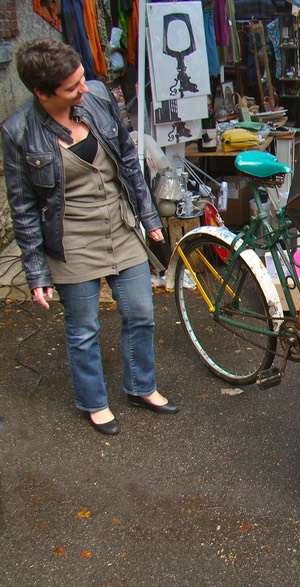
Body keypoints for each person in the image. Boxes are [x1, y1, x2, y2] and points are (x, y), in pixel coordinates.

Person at [1, 39, 178, 435]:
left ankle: (140, 387)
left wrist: (148, 216)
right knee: (83, 328)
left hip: (120, 225)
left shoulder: (97, 95)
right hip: (71, 240)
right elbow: (24, 207)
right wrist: (36, 272)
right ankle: (94, 401)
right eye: (72, 87)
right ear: (42, 93)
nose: (84, 89)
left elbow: (128, 160)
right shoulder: (18, 132)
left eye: (82, 79)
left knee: (141, 313)